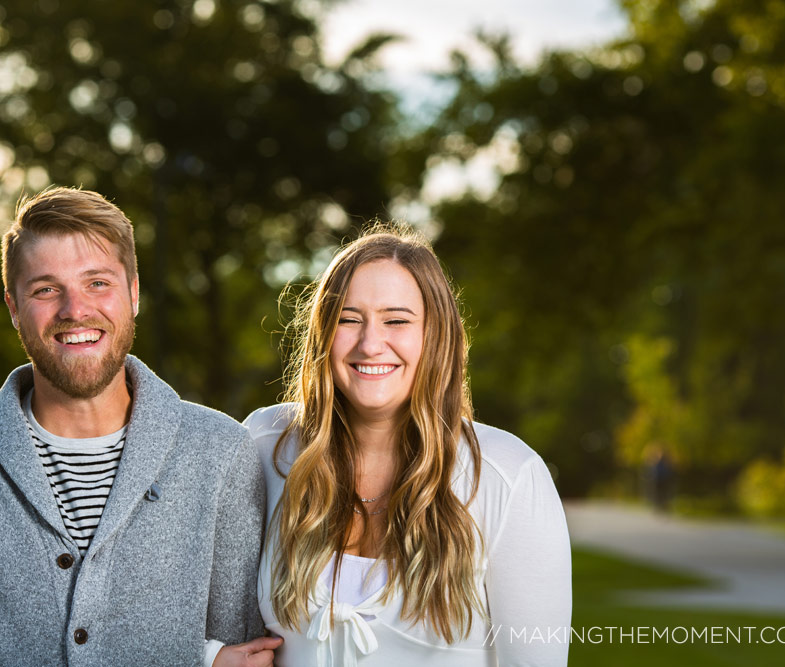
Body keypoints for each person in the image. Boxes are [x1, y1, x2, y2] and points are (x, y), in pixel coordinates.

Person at [0, 187, 280, 666]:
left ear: (133, 294)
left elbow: (242, 653)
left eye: (97, 283)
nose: (75, 309)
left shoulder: (221, 454)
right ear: (13, 308)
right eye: (46, 289)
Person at [244, 227, 572, 666]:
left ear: (435, 336)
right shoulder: (268, 444)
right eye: (348, 318)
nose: (370, 343)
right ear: (323, 333)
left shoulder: (507, 475)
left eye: (396, 320)